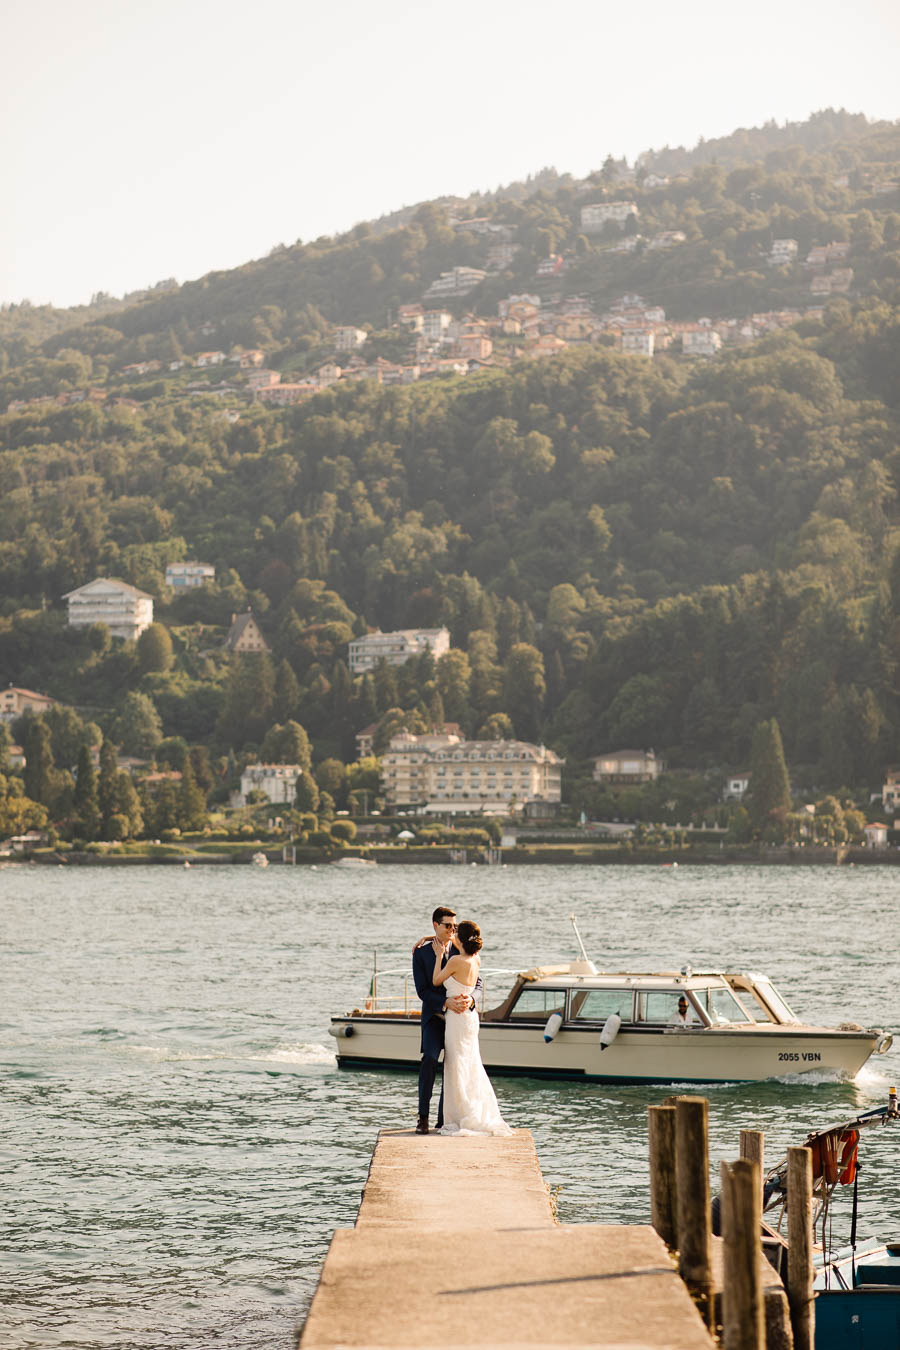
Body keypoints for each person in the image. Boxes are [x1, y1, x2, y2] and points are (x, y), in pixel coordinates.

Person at [430, 919, 511, 1136]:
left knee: (456, 1065)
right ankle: (474, 1110)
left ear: (460, 939)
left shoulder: (455, 960)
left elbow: (437, 981)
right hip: (470, 1018)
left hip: (456, 1019)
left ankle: (460, 1114)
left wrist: (438, 956)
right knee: (471, 1064)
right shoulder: (476, 959)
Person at [411, 907, 479, 1134]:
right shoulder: (421, 953)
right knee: (430, 1059)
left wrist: (471, 1000)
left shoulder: (463, 948)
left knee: (453, 1066)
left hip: (458, 1019)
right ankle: (423, 1117)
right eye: (447, 925)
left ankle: (444, 1119)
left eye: (454, 926)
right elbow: (422, 991)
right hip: (435, 1017)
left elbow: (478, 983)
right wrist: (445, 1002)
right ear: (435, 925)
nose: (452, 930)